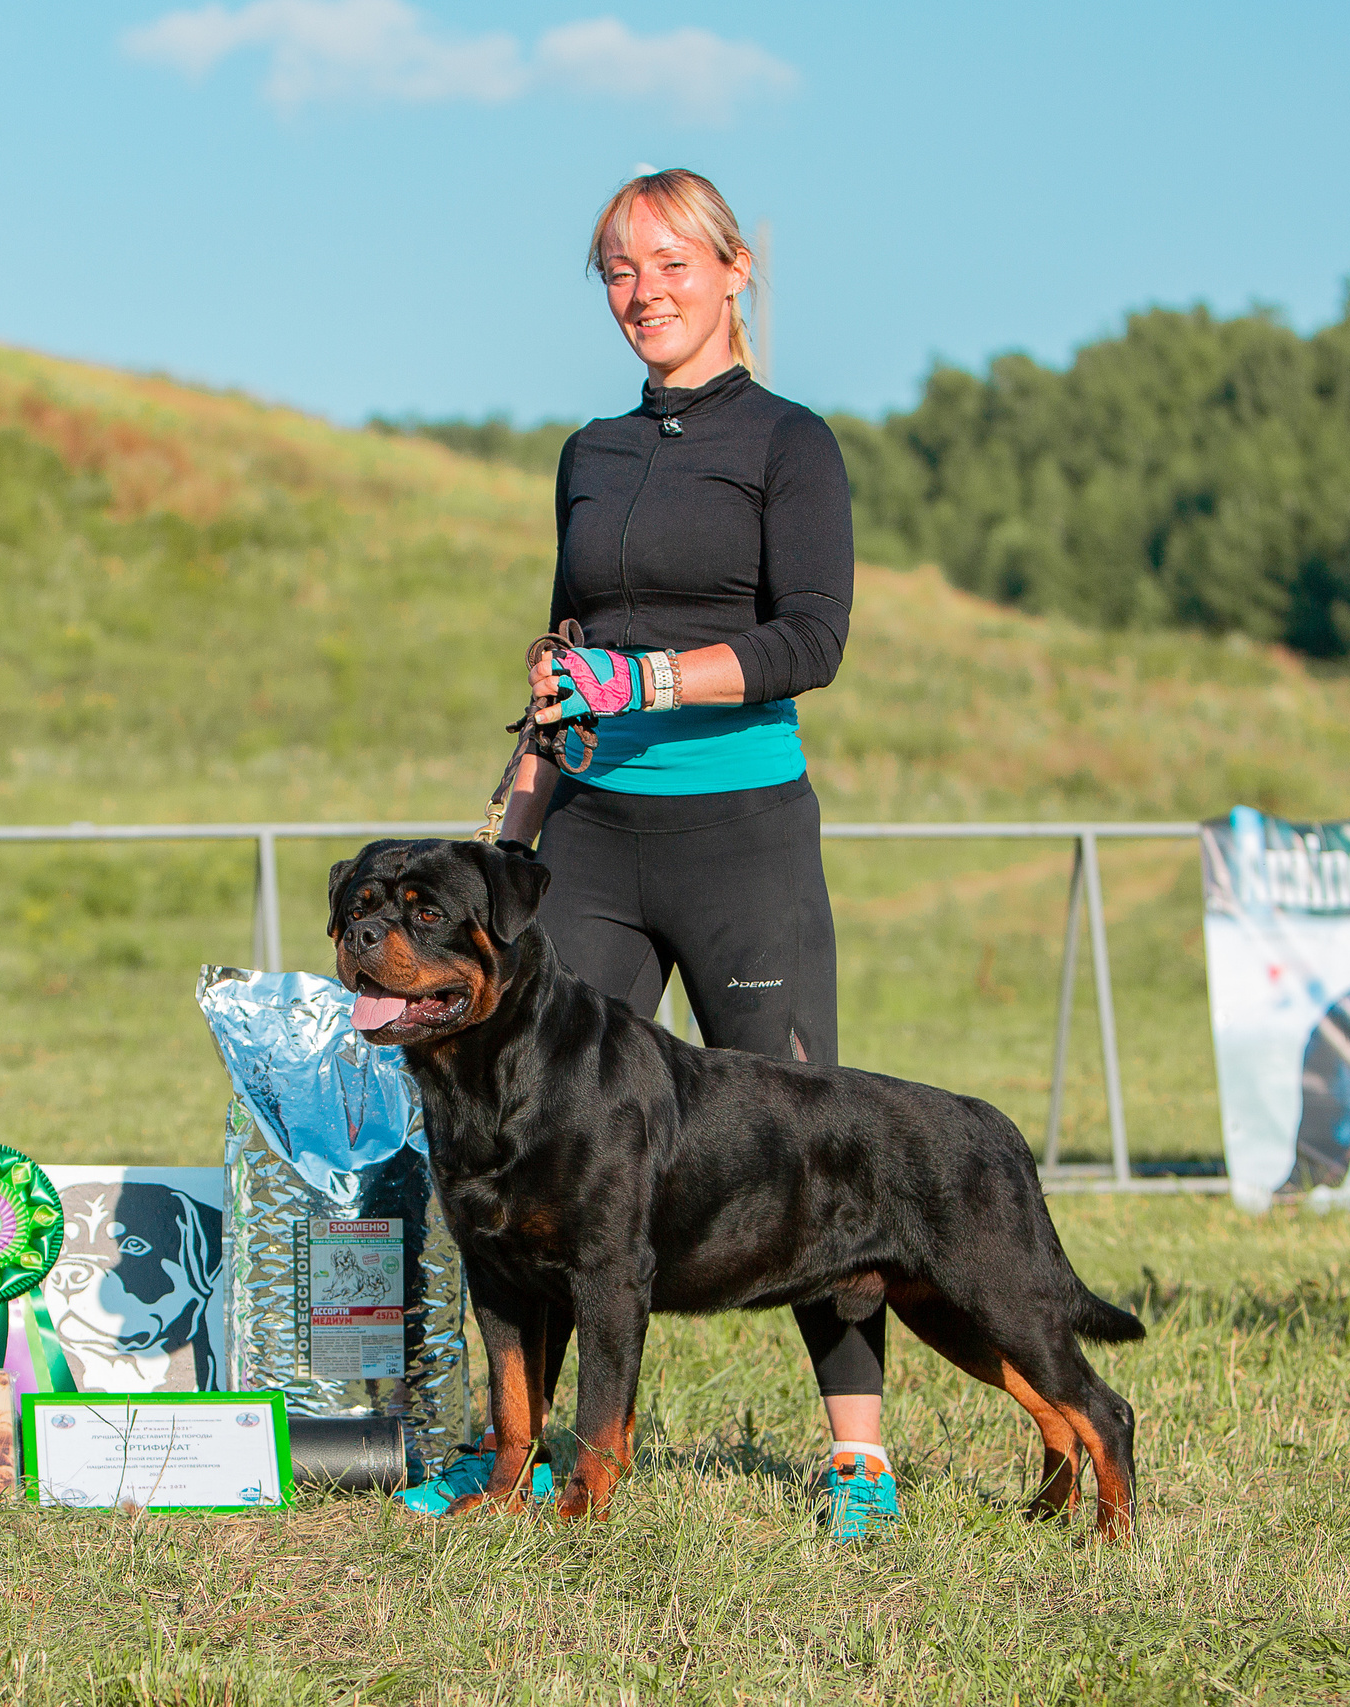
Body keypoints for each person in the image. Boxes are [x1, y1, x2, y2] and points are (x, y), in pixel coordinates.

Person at [493, 169, 890, 1538]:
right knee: (549, 1141)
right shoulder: (588, 455)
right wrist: (512, 830)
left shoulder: (793, 443)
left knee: (809, 1144)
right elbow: (559, 661)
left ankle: (858, 1460)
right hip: (593, 839)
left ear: (733, 272)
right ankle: (530, 1454)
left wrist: (654, 684)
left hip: (742, 842)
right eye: (617, 270)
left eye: (668, 263)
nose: (642, 292)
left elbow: (813, 641)